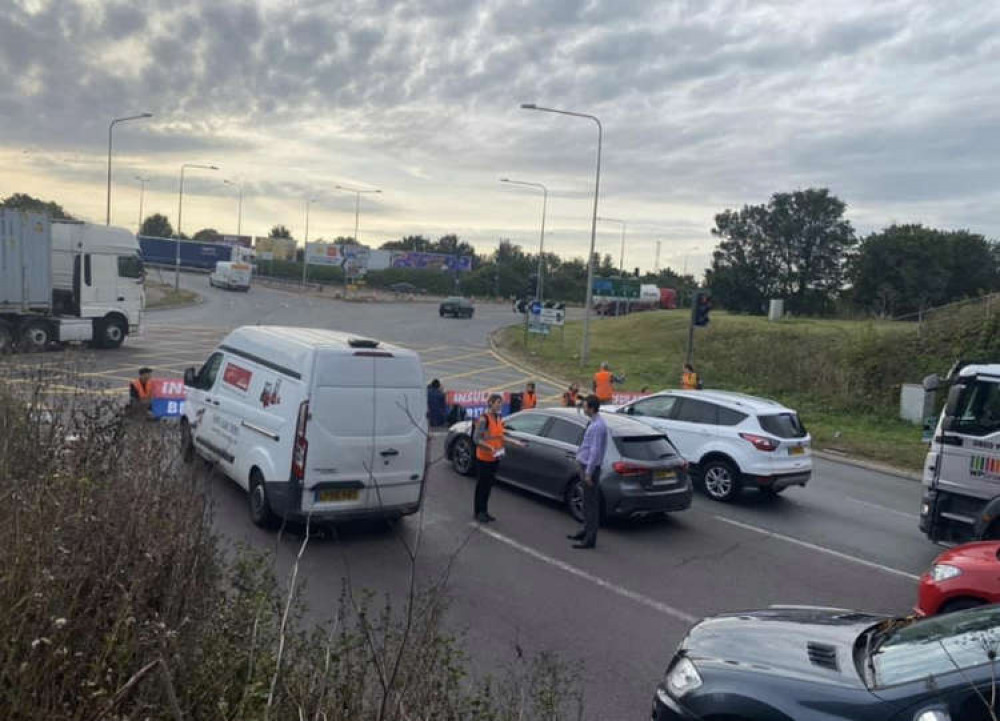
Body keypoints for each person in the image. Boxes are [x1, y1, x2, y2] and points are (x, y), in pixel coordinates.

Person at [568, 395, 607, 549]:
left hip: (589, 468)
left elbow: (595, 451)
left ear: (591, 408)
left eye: (584, 406)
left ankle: (590, 539)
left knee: (590, 504)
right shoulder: (595, 422)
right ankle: (585, 530)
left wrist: (589, 472)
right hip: (584, 465)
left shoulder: (598, 426)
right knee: (586, 501)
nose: (583, 409)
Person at [473, 394, 505, 523]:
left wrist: (501, 449)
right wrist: (489, 448)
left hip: (494, 458)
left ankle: (484, 511)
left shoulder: (498, 418)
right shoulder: (483, 419)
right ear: (490, 403)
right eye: (498, 402)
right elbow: (476, 439)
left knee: (488, 486)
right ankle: (478, 512)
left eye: (500, 403)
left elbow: (498, 437)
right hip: (484, 458)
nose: (499, 405)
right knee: (481, 486)